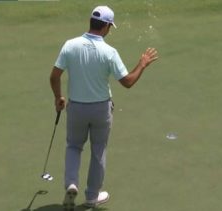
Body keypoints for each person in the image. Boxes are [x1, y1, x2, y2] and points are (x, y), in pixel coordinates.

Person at [49, 5, 158, 210]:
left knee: (74, 146)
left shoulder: (70, 45)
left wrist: (58, 97)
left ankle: (71, 183)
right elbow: (127, 82)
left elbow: (54, 76)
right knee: (98, 150)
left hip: (77, 109)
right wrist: (142, 64)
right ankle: (92, 197)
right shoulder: (109, 52)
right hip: (101, 110)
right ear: (107, 26)